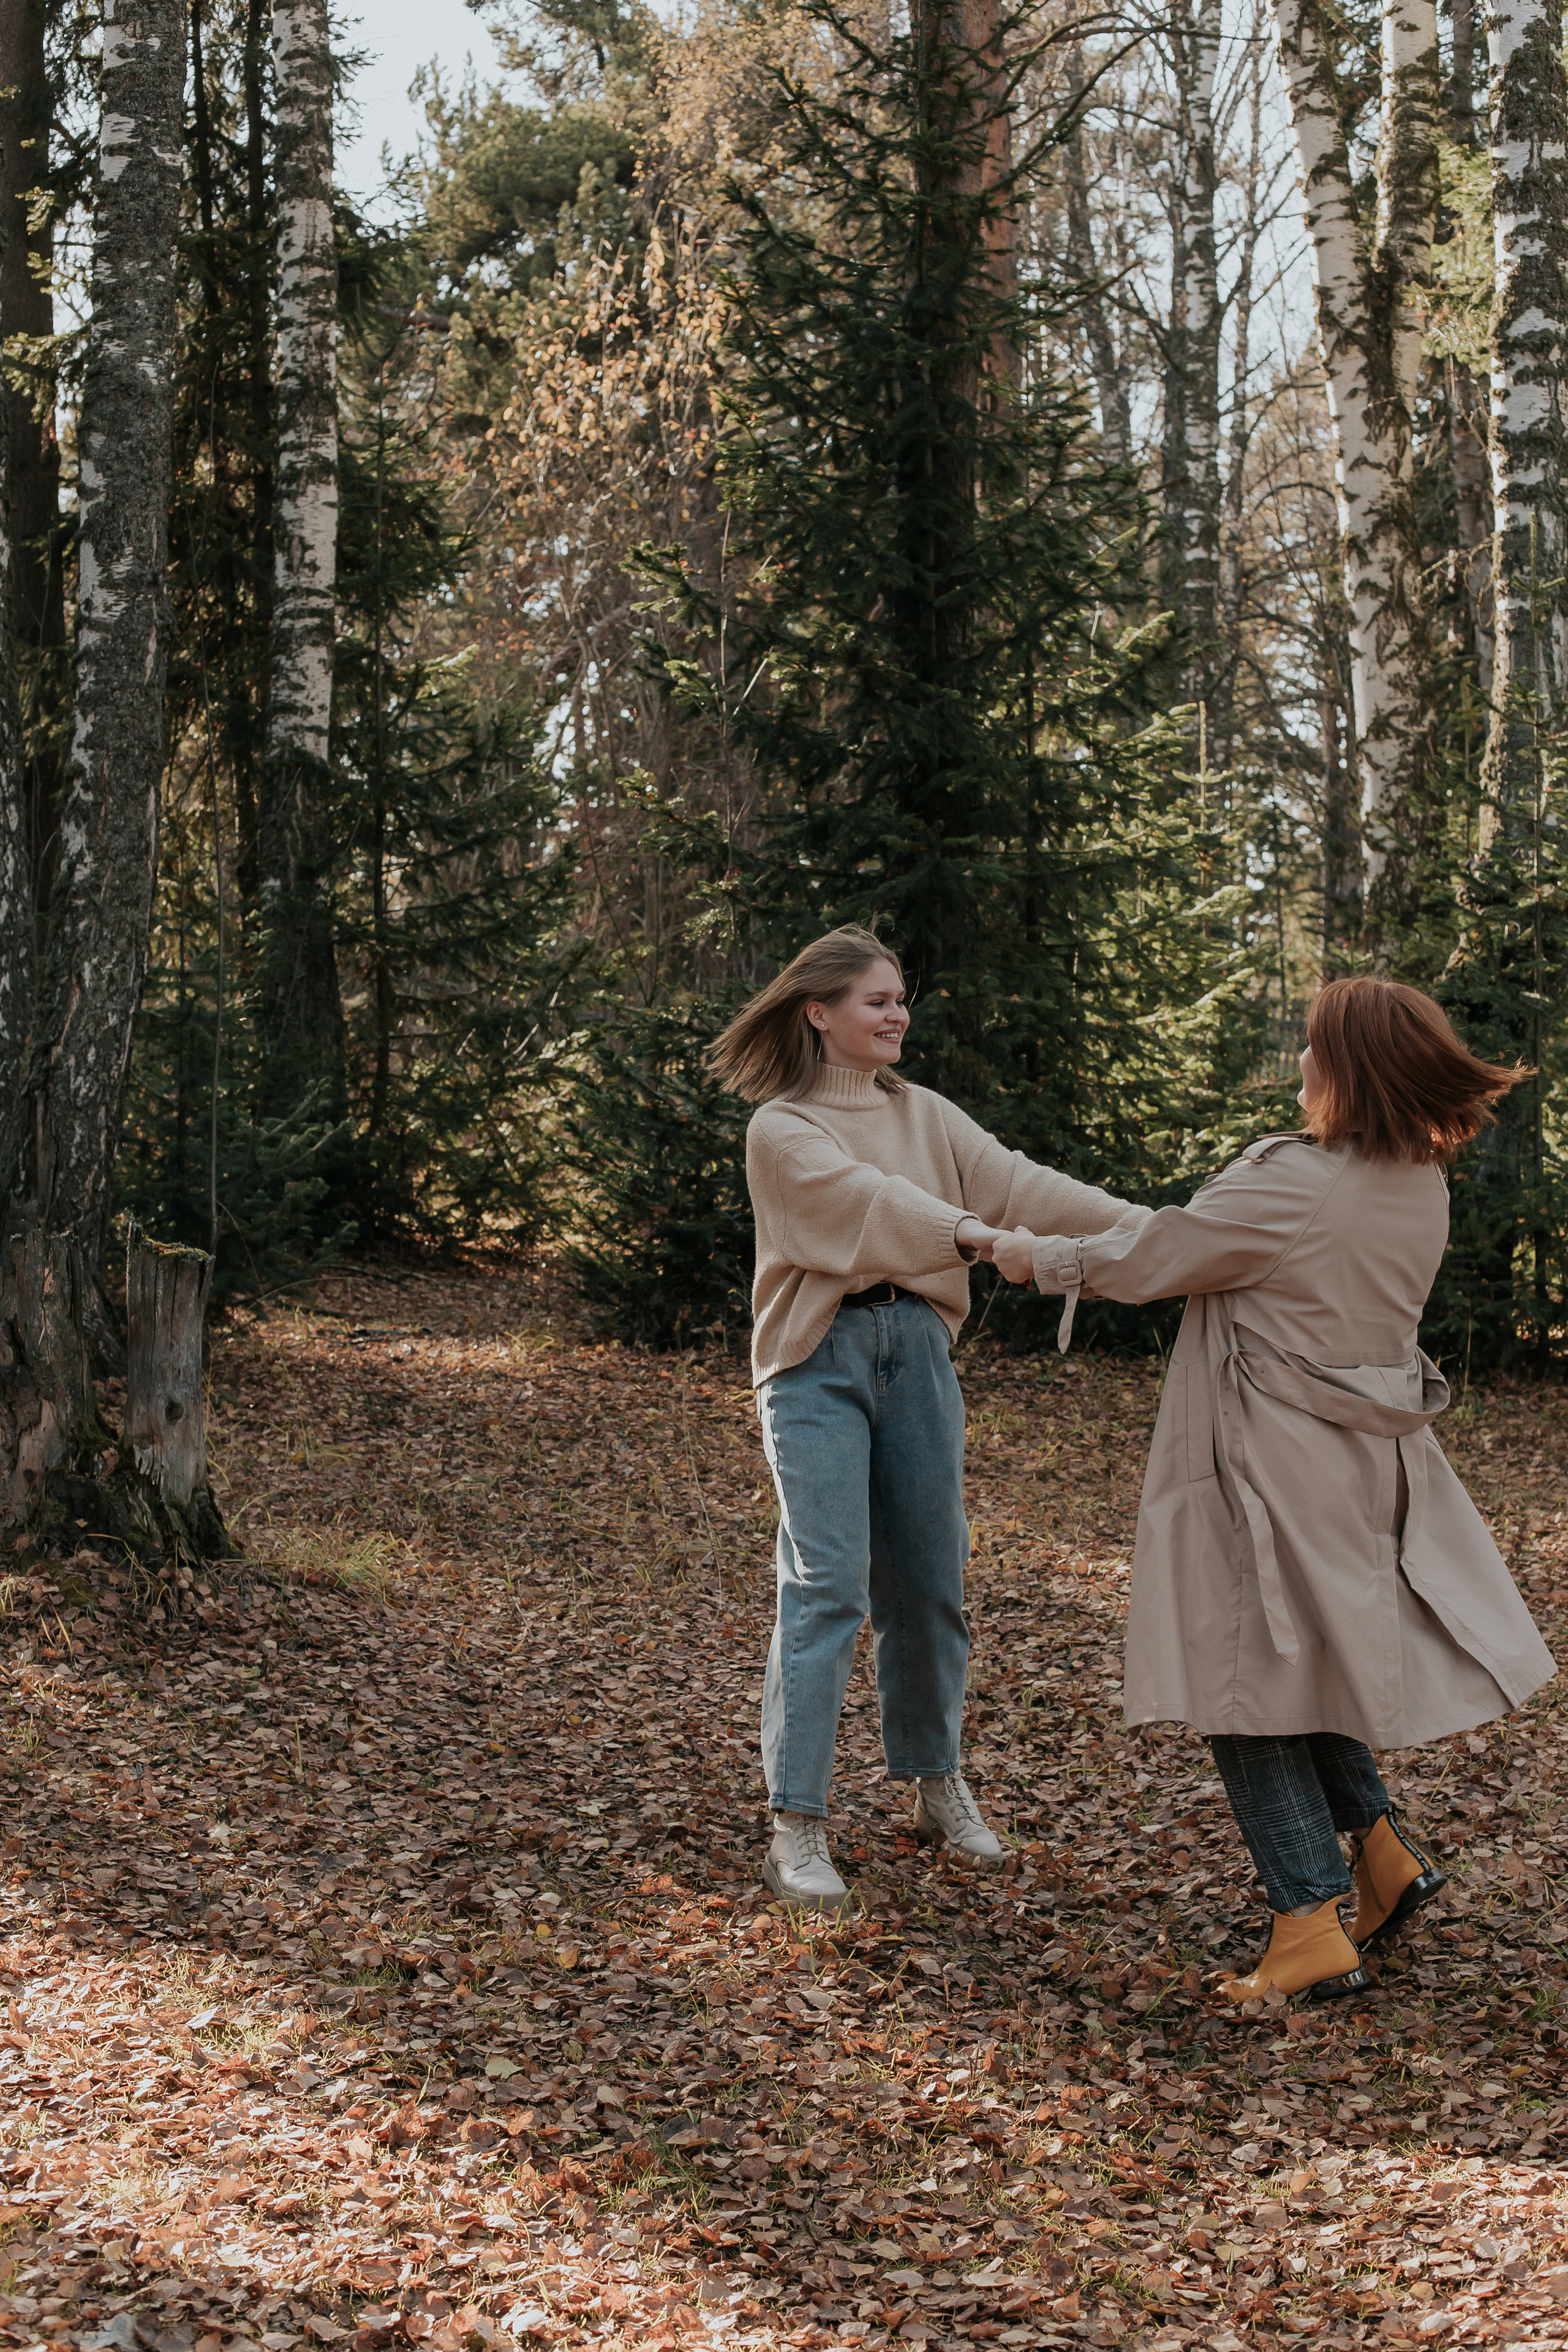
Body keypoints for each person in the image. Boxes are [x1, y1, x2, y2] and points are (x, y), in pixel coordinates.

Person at [1009, 975, 1556, 2002]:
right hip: (1358, 1467)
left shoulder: (1302, 1180)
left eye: (1311, 1047)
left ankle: (1307, 1919)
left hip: (1266, 1464)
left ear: (1346, 1067)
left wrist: (1030, 1255)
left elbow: (1161, 1256)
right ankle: (1381, 1853)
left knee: (1243, 1677)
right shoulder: (1416, 1179)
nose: (1300, 1063)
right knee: (1304, 1659)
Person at [708, 924, 1145, 1912]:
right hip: (816, 1361)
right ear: (819, 1013)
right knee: (827, 1587)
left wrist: (1149, 1230)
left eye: (902, 998)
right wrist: (980, 1239)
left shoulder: (929, 1114)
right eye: (877, 1000)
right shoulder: (781, 1129)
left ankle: (932, 1780)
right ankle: (797, 1825)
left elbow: (1025, 1184)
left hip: (920, 1356)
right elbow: (871, 1204)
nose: (899, 1014)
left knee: (931, 1581)